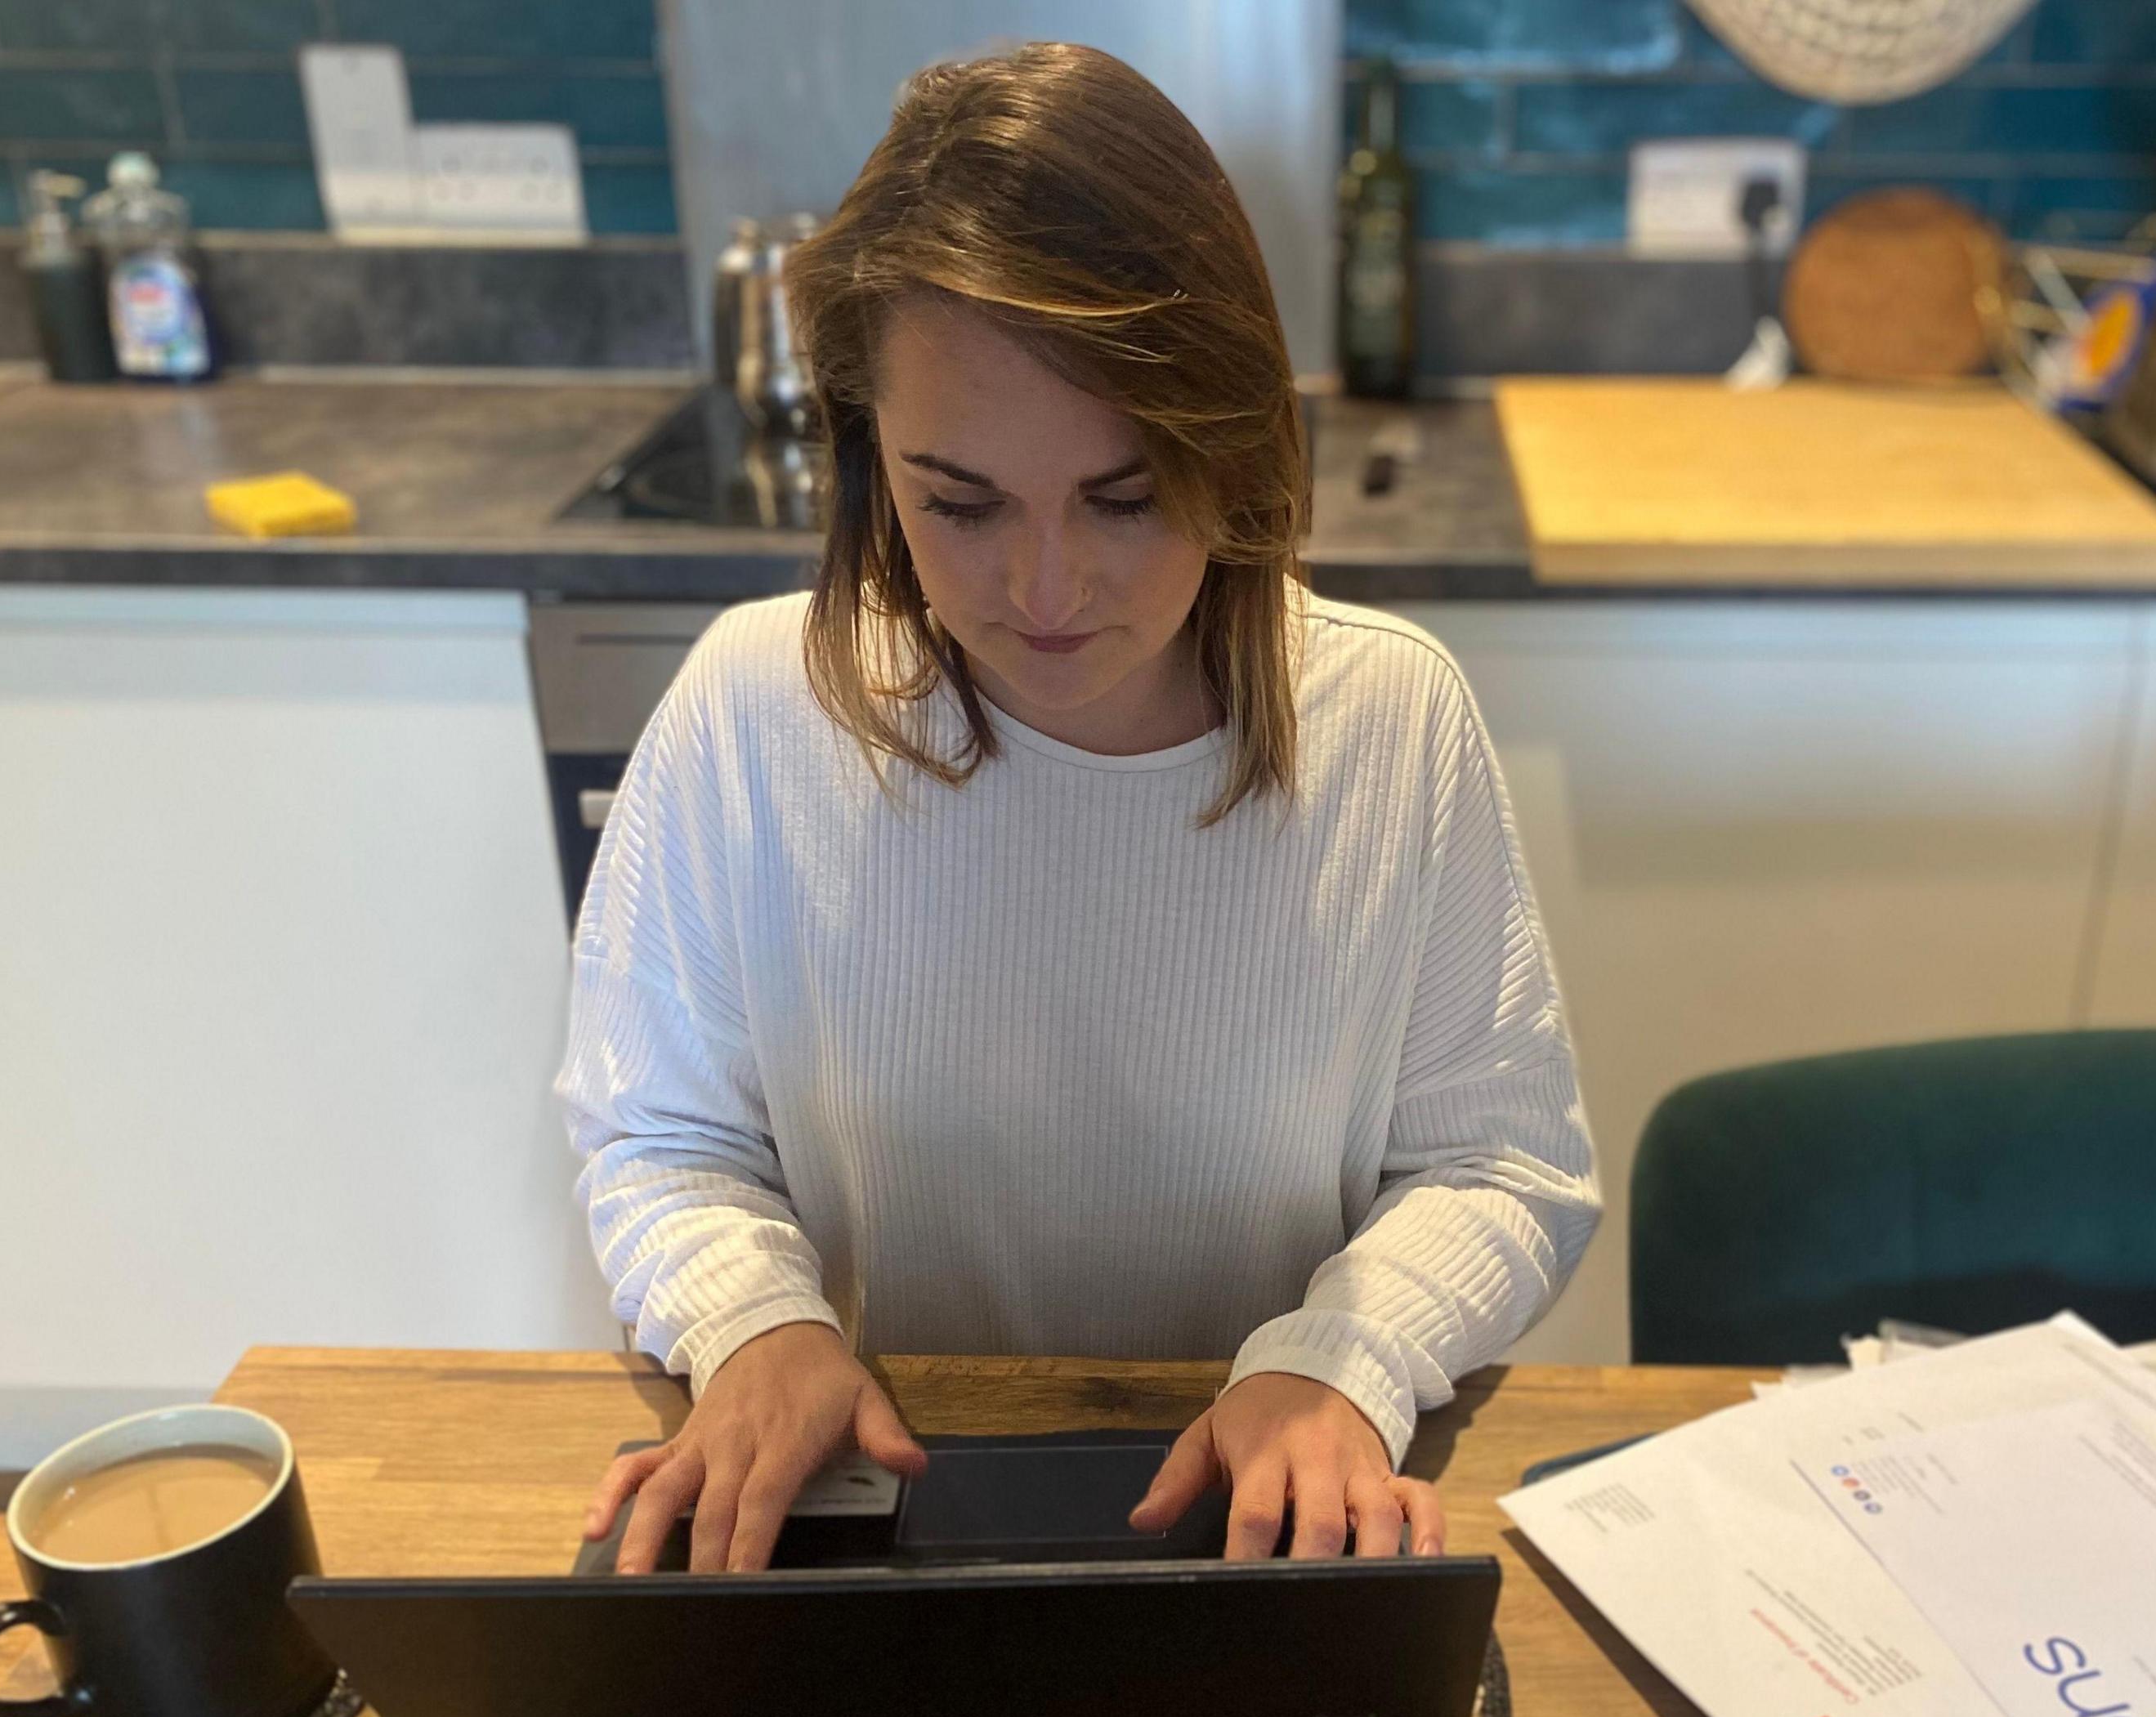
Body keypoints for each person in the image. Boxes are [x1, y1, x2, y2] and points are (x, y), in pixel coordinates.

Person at [559, 42, 1597, 1575]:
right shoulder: (751, 706)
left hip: (1267, 1530)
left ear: (1234, 450)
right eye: (958, 504)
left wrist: (1343, 1365)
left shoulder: (1393, 720)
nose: (1044, 592)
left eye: (1123, 497)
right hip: (900, 1517)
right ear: (866, 459)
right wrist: (752, 1322)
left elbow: (1503, 1166)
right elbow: (656, 1128)